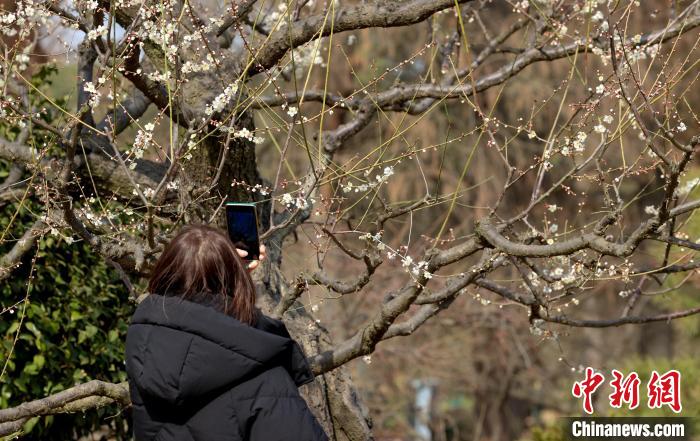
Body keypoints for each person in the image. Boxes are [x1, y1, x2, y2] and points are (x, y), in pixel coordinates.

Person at [125, 224, 329, 441]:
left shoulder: (146, 349)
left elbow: (201, 323)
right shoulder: (263, 373)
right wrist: (235, 281)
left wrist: (231, 278)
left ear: (164, 274)